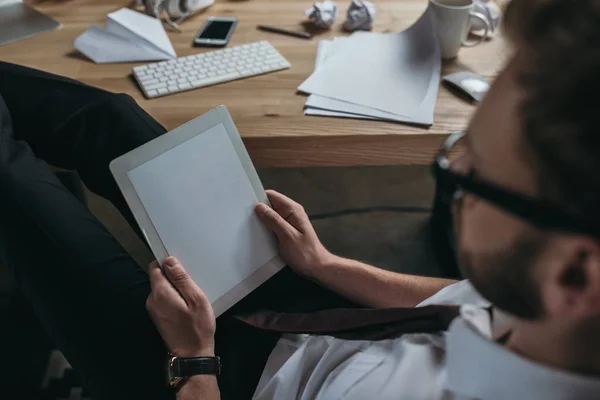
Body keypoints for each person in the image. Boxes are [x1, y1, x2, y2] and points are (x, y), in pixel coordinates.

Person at [2, 0, 600, 398]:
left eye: (472, 176)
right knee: (109, 119)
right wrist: (327, 265)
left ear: (574, 275)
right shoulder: (550, 308)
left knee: (16, 184)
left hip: (213, 377)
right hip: (319, 311)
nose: (453, 175)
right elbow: (459, 300)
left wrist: (193, 357)